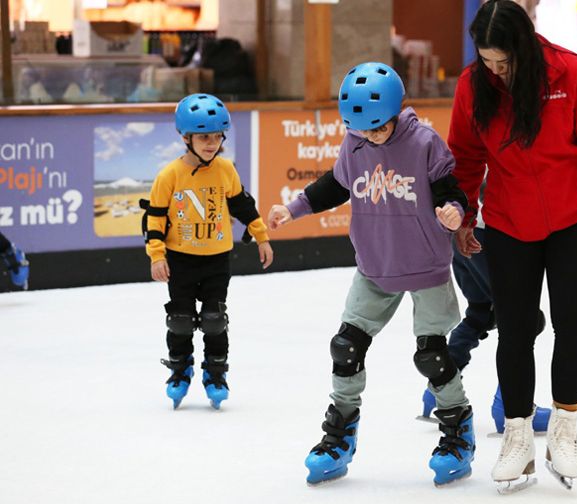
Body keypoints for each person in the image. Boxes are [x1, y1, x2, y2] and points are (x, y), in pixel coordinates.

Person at [448, 0, 577, 492]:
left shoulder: (570, 74)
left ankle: (566, 427)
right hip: (510, 223)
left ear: (525, 46)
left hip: (575, 221)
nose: (496, 71)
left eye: (504, 61)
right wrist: (465, 215)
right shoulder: (473, 87)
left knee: (572, 324)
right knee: (513, 332)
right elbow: (466, 159)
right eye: (487, 61)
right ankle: (516, 436)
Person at [268, 62, 475, 487]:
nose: (371, 136)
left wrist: (454, 212)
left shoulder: (423, 143)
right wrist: (292, 210)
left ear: (397, 111)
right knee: (346, 346)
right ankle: (339, 435)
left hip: (424, 266)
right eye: (361, 129)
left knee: (432, 356)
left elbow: (450, 189)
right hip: (375, 267)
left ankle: (457, 433)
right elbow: (334, 185)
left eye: (378, 127)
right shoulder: (356, 143)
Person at [143, 93, 273, 410]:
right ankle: (179, 369)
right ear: (186, 137)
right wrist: (157, 255)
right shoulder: (169, 175)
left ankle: (215, 374)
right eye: (203, 136)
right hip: (180, 260)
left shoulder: (225, 170)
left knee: (215, 319)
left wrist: (261, 236)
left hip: (217, 259)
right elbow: (155, 219)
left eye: (217, 136)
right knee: (180, 319)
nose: (211, 143)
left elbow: (243, 205)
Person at [418, 181, 552, 435]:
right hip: (488, 234)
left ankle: (438, 388)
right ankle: (511, 405)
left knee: (481, 312)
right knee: (524, 319)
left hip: (461, 232)